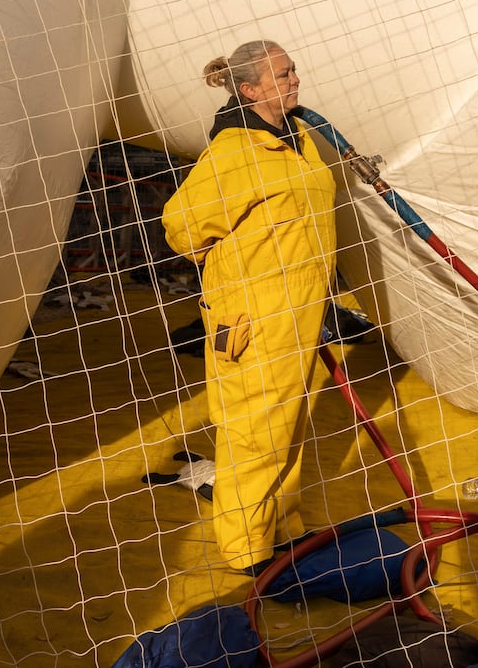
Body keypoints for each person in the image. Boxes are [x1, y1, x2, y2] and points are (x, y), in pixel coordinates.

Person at [161, 40, 339, 573]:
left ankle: (283, 529)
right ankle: (246, 553)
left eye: (293, 71)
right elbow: (182, 226)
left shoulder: (297, 136)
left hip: (302, 312)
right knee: (254, 436)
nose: (295, 80)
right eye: (282, 75)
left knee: (290, 427)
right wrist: (241, 273)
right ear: (250, 88)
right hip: (256, 319)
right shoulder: (235, 152)